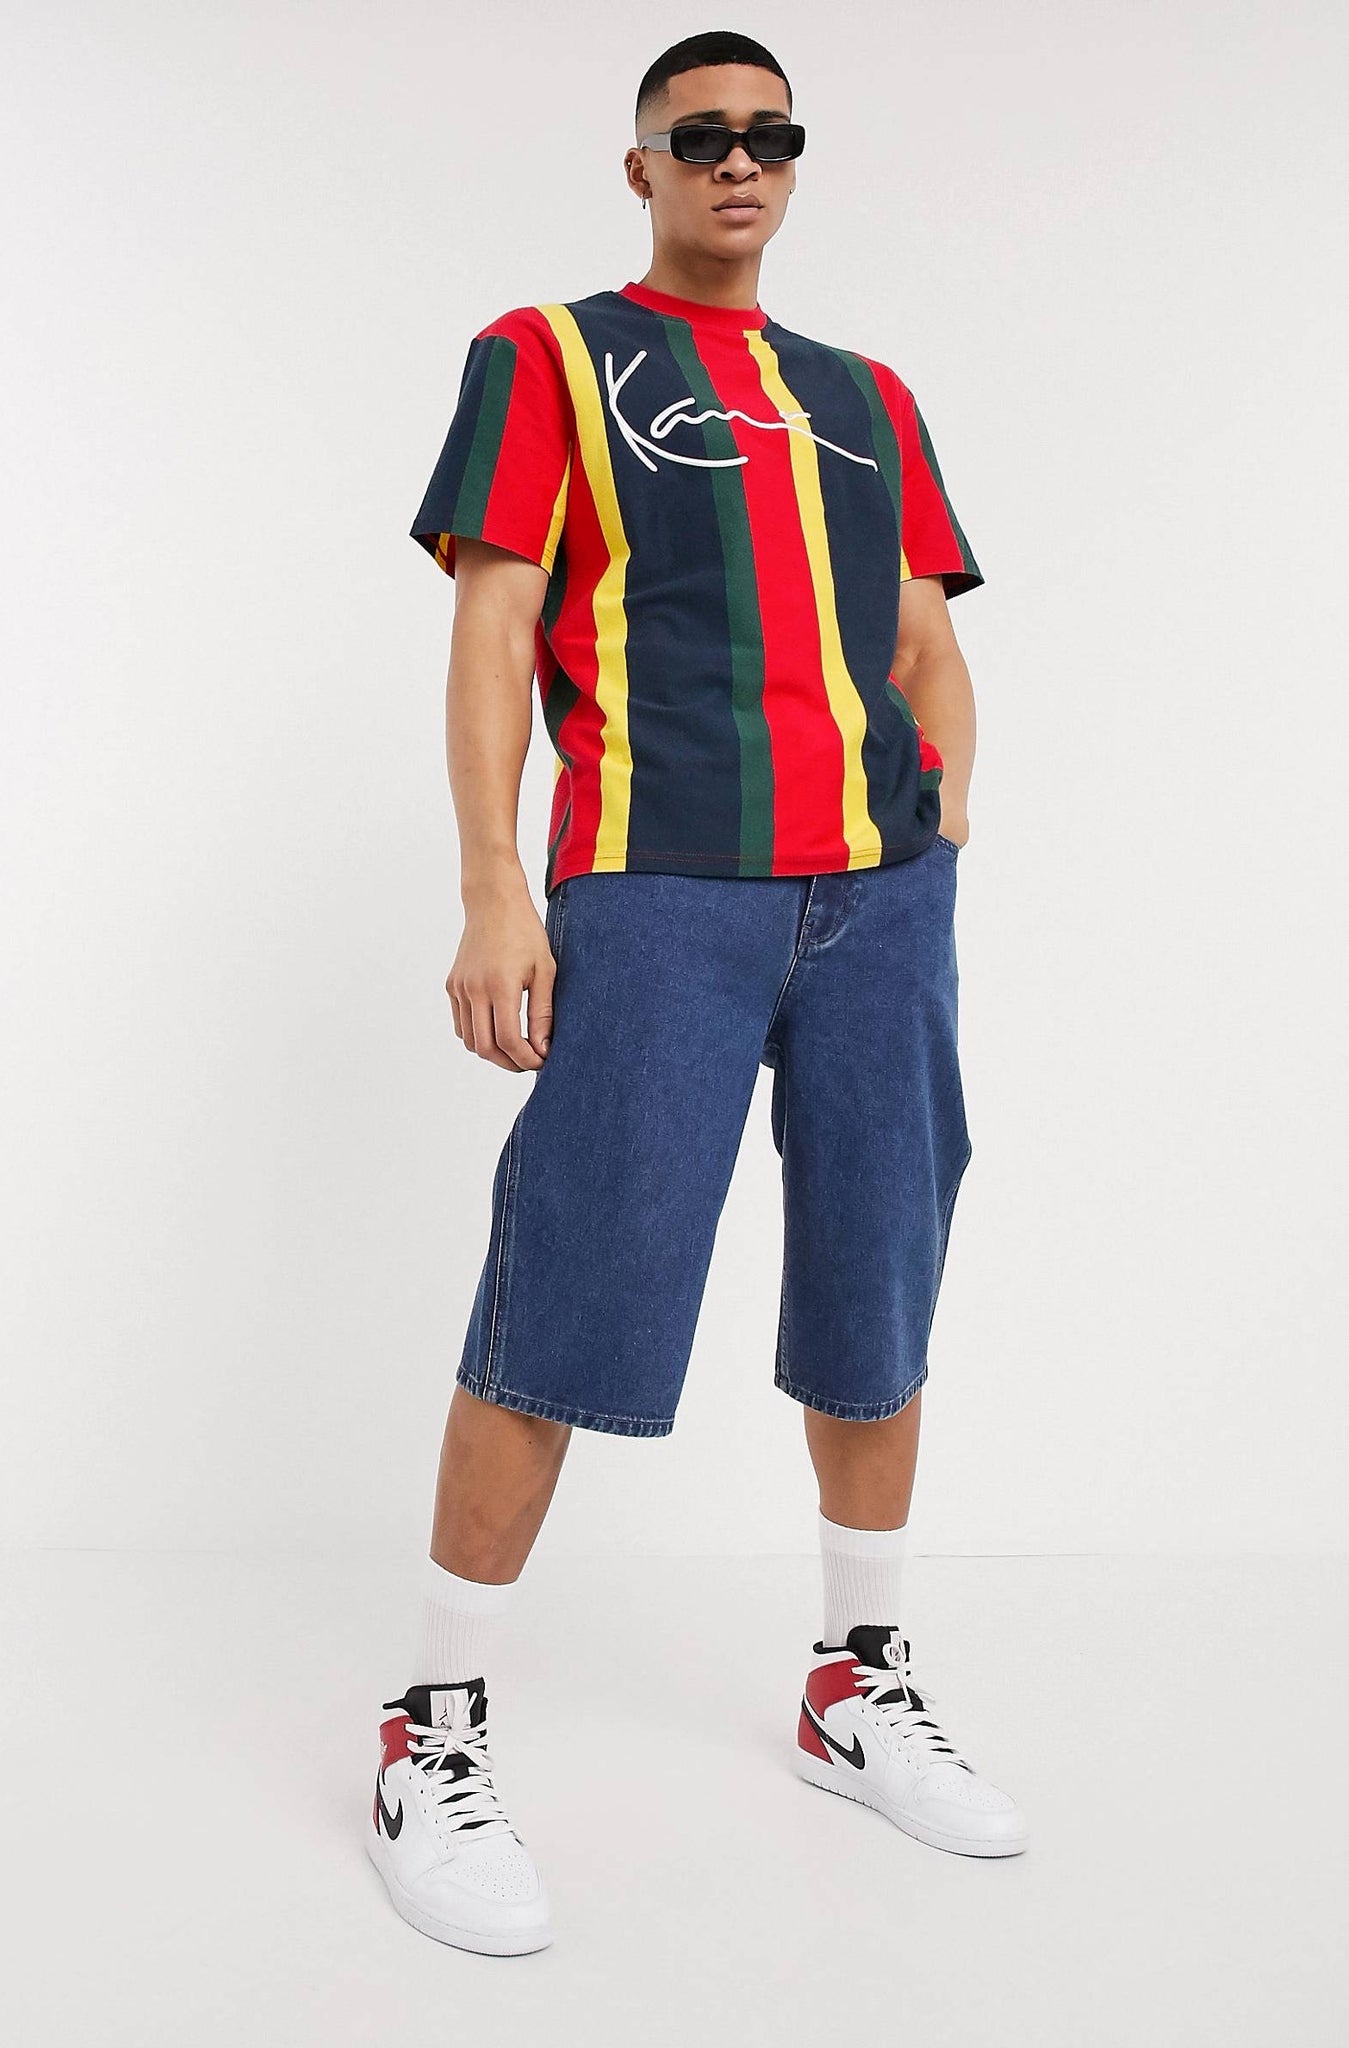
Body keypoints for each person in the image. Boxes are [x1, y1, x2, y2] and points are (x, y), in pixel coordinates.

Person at [366, 29, 1028, 1958]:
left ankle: (855, 1677)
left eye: (770, 136)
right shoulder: (549, 356)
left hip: (877, 902)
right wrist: (496, 882)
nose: (740, 161)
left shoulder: (865, 395)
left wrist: (936, 816)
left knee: (877, 1269)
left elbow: (918, 634)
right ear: (642, 164)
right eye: (702, 135)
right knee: (579, 1269)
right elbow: (494, 618)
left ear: (795, 164)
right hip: (657, 891)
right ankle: (433, 1723)